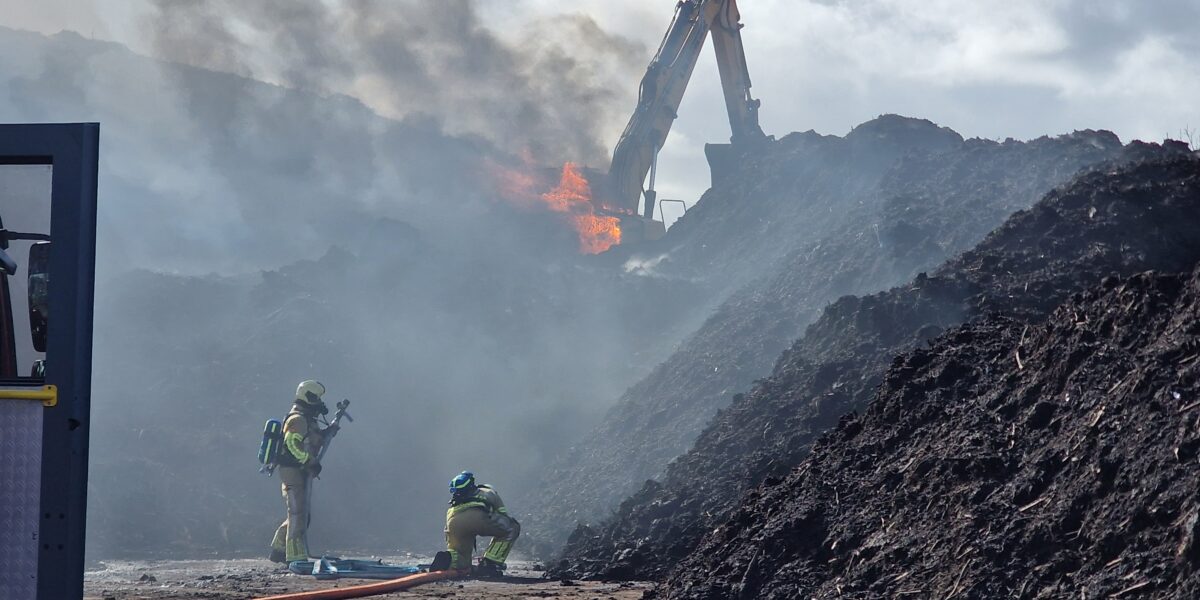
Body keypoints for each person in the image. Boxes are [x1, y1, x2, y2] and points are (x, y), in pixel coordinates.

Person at [268, 380, 336, 563]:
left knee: (300, 513)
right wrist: (308, 461)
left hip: (301, 470)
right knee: (298, 514)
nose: (321, 403)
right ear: (309, 397)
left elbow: (312, 440)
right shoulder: (297, 419)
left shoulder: (307, 420)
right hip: (292, 471)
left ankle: (278, 548)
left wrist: (328, 432)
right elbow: (291, 444)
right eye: (318, 398)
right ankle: (295, 556)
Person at [436, 471, 521, 575]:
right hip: (477, 517)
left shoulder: (457, 498)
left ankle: (448, 559)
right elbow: (503, 515)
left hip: (453, 520)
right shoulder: (489, 492)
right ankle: (490, 563)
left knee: (461, 555)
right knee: (512, 528)